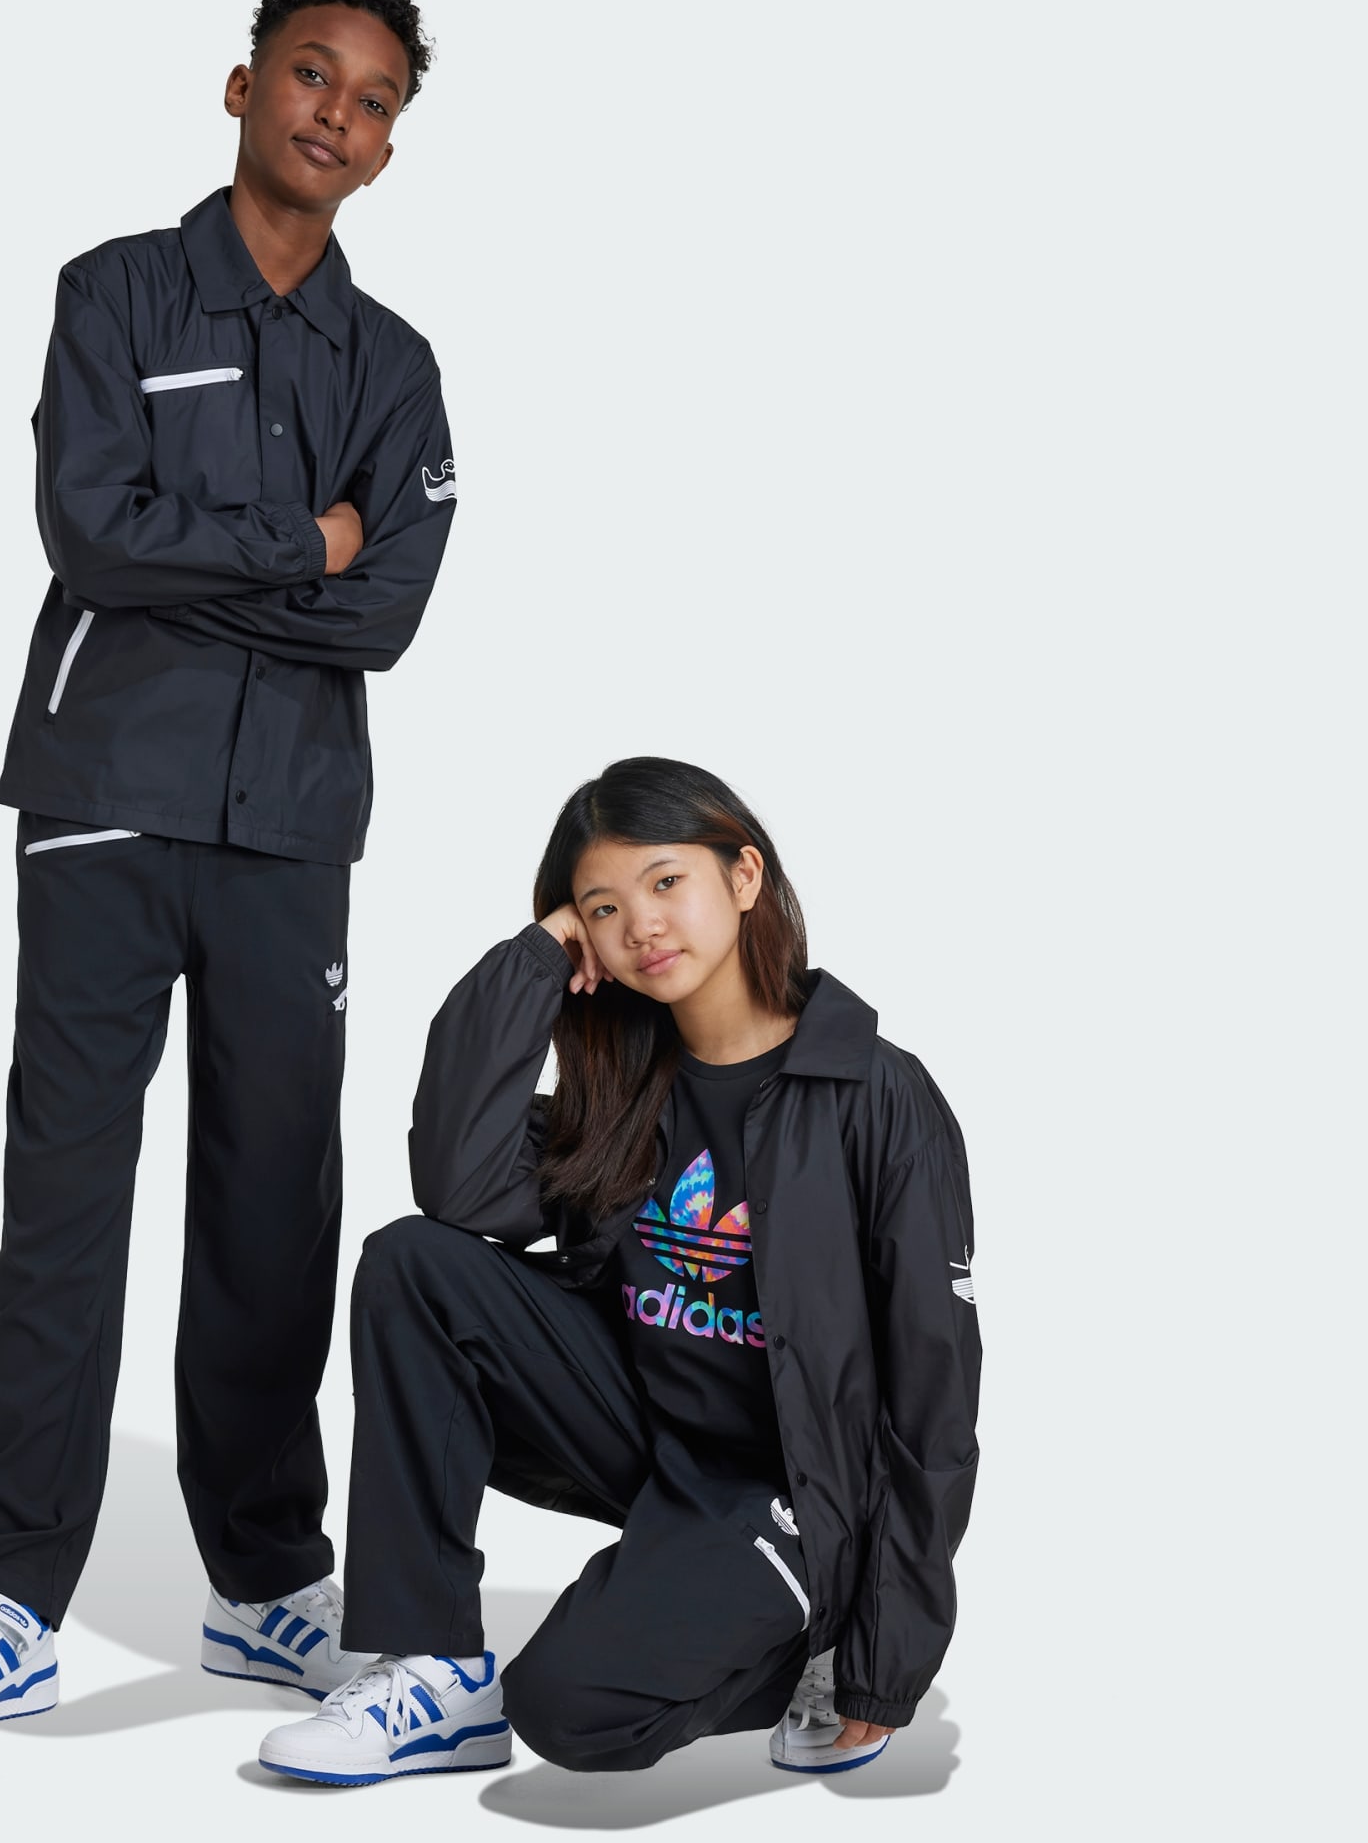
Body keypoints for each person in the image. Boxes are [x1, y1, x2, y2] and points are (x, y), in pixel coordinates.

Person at [0, 0, 456, 1748]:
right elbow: (92, 538)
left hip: (292, 825)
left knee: (275, 1202)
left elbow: (387, 614)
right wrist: (303, 542)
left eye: (372, 101)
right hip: (106, 796)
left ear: (389, 149)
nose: (336, 114)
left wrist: (223, 558)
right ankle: (6, 1600)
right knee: (67, 1197)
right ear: (243, 86)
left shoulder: (397, 370)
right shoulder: (113, 292)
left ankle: (267, 1585)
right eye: (311, 74)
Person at [257, 758, 981, 1785]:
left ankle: (809, 1634)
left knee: (567, 1708)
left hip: (795, 1492)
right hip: (648, 1441)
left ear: (744, 875)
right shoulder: (622, 1087)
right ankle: (432, 1664)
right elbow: (457, 1187)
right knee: (413, 1265)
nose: (640, 923)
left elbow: (934, 1391)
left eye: (665, 881)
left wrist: (883, 1656)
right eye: (602, 906)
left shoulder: (875, 1094)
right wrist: (534, 960)